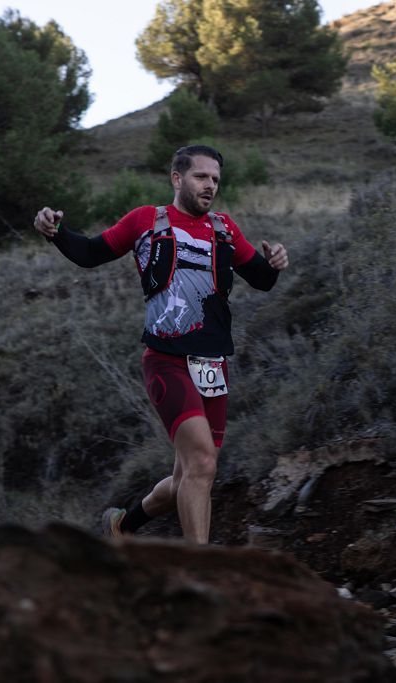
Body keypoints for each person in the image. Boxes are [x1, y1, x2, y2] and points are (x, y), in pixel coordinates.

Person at [33, 145, 288, 544]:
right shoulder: (146, 221)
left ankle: (123, 526)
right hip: (167, 360)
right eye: (201, 177)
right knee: (202, 464)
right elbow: (89, 253)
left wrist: (274, 263)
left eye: (216, 180)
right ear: (177, 178)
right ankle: (197, 571)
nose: (210, 186)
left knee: (190, 473)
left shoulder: (224, 228)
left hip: (213, 365)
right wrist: (55, 231)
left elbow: (261, 278)